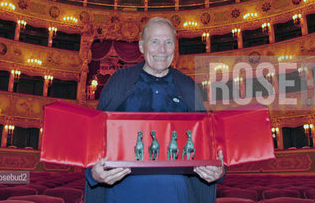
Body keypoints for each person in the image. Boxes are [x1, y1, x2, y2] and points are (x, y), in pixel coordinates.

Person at [85, 17, 225, 202]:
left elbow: (207, 143)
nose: (162, 49)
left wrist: (218, 170)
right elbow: (94, 139)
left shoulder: (188, 86)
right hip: (122, 195)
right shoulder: (119, 82)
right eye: (155, 42)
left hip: (177, 196)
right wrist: (93, 174)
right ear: (142, 46)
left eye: (168, 42)